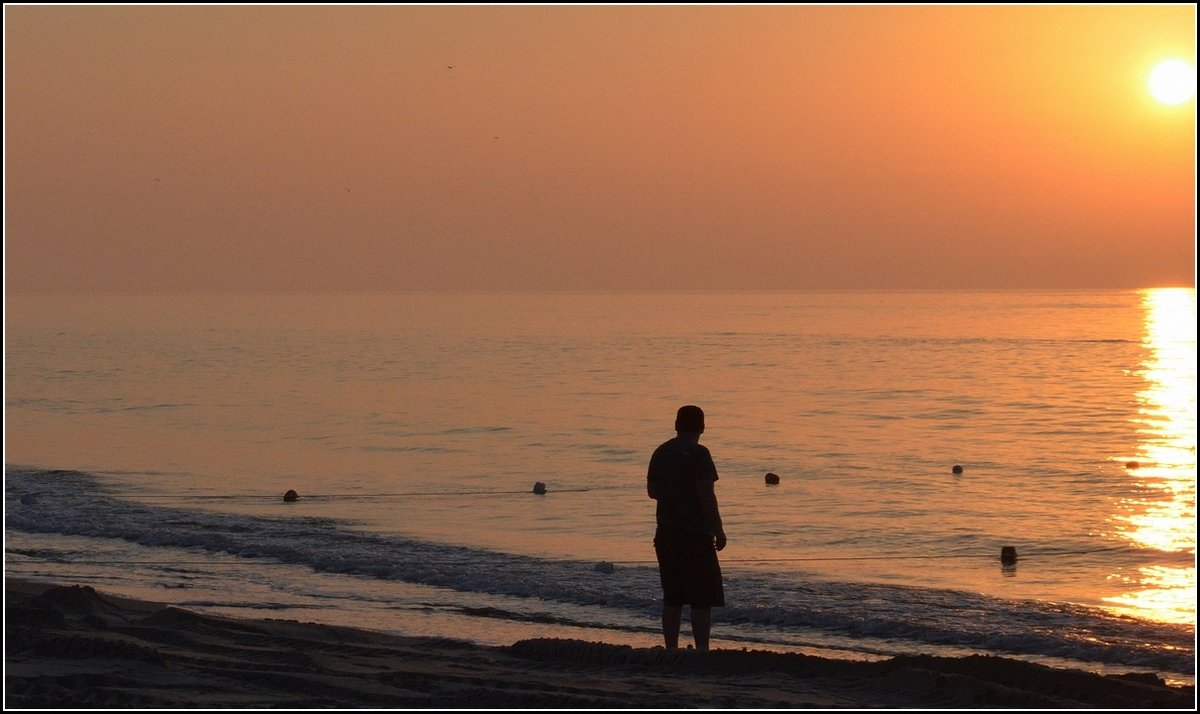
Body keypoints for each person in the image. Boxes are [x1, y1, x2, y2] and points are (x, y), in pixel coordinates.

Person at [646, 405, 727, 652]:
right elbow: (706, 495)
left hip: (666, 533)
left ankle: (671, 648)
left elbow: (652, 492)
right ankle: (702, 648)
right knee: (701, 598)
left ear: (676, 425)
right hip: (695, 534)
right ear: (702, 427)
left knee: (673, 596)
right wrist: (719, 529)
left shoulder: (661, 451)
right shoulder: (700, 453)